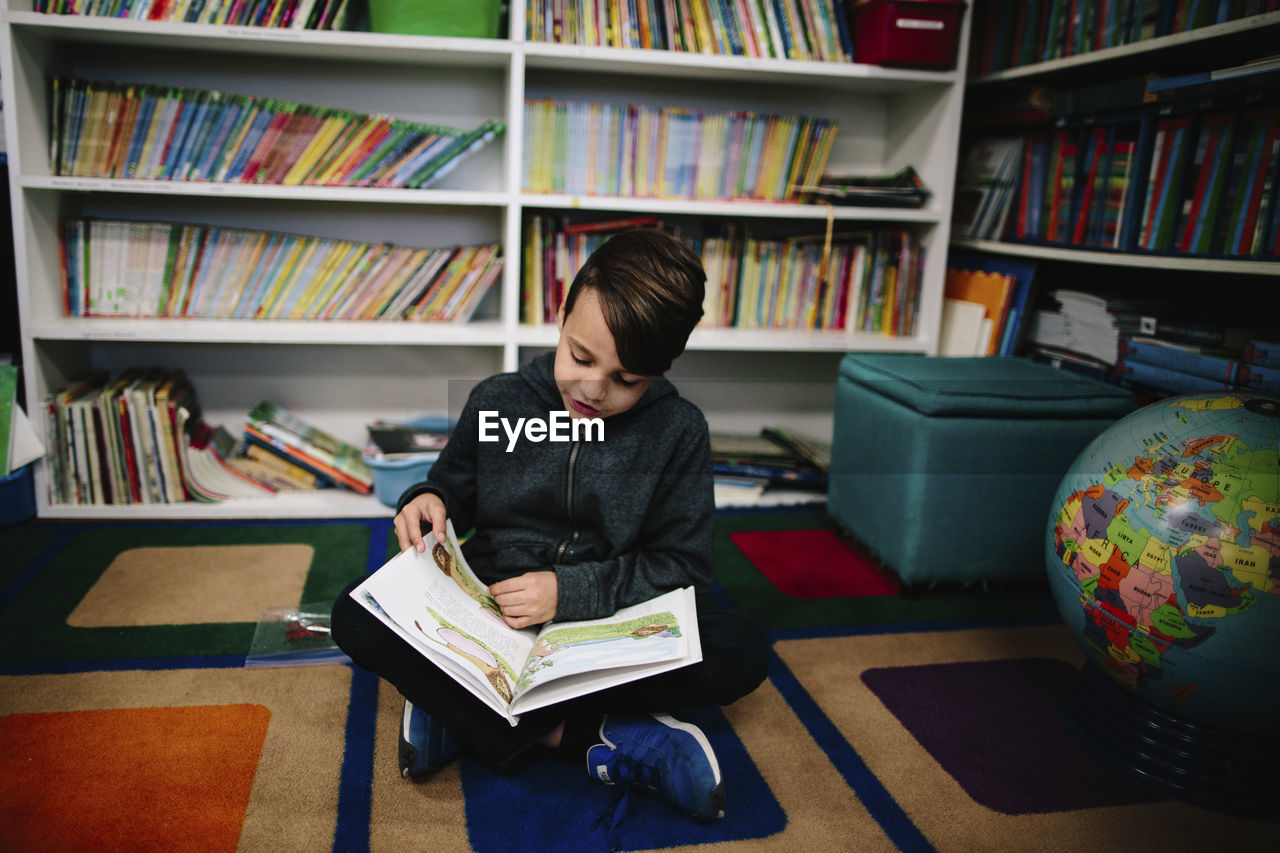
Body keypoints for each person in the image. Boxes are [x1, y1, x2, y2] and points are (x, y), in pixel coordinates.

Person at [330, 228, 770, 822]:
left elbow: (683, 568)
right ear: (561, 313)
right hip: (492, 606)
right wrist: (425, 500)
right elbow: (448, 491)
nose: (592, 390)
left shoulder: (678, 432)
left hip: (603, 619)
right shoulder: (498, 400)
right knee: (354, 614)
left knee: (740, 649)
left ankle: (462, 710)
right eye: (580, 357)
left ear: (662, 368)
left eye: (627, 380)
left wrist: (570, 594)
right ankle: (589, 737)